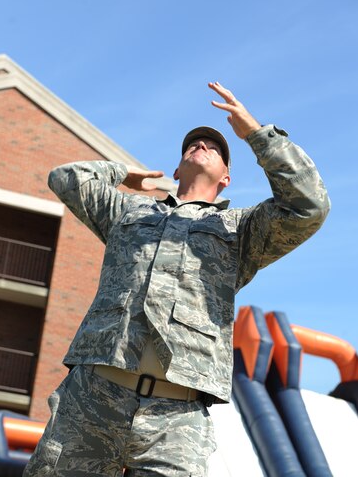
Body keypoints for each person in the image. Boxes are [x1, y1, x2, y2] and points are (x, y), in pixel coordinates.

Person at [24, 82, 330, 477]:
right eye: (192, 144)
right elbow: (66, 178)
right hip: (92, 398)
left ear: (226, 178)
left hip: (177, 416)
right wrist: (124, 173)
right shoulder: (129, 211)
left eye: (215, 148)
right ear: (175, 168)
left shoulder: (241, 229)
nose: (201, 146)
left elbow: (309, 204)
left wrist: (257, 134)